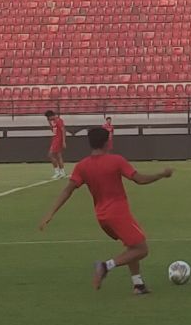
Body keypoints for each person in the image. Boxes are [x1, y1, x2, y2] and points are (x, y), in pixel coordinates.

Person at [37, 126, 174, 296]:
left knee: (131, 245)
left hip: (102, 216)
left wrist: (50, 213)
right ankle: (105, 266)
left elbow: (68, 190)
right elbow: (139, 180)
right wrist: (162, 174)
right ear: (107, 142)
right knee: (141, 249)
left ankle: (138, 284)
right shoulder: (116, 161)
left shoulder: (82, 166)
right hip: (118, 213)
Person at [45, 110, 67, 179]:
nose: (48, 119)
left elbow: (63, 130)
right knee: (58, 156)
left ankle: (57, 172)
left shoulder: (59, 120)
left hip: (58, 140)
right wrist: (49, 123)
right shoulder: (53, 121)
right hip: (55, 138)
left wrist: (63, 141)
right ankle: (62, 172)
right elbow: (53, 131)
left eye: (48, 117)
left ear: (51, 116)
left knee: (50, 154)